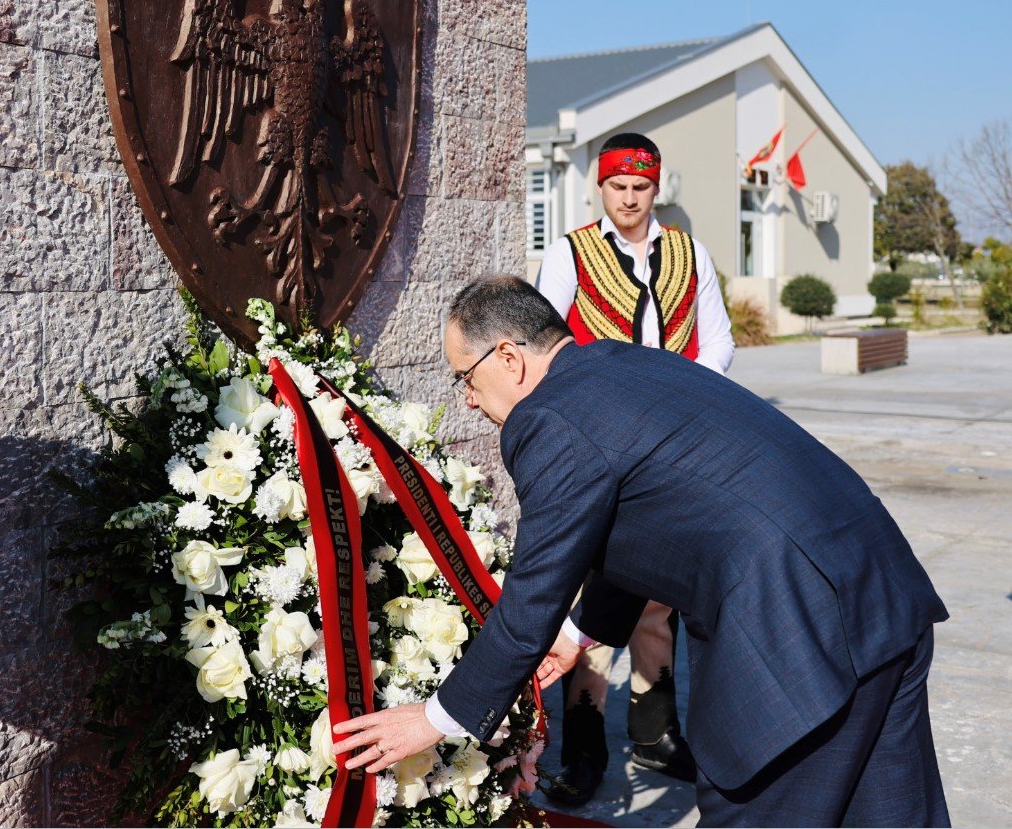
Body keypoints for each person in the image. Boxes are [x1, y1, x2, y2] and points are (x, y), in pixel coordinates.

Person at [331, 276, 950, 827]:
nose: (467, 398)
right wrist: (579, 634)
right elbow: (644, 520)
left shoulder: (548, 418)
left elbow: (535, 588)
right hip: (881, 592)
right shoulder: (622, 367)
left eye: (465, 377)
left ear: (510, 358)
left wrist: (437, 719)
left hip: (800, 635)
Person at [532, 132, 735, 803]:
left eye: (639, 187)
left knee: (659, 593)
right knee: (597, 588)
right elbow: (544, 342)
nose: (628, 198)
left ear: (656, 187)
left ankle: (654, 731)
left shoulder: (687, 250)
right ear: (599, 186)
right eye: (617, 187)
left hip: (677, 441)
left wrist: (685, 400)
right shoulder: (569, 252)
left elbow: (717, 337)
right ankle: (584, 745)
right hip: (599, 444)